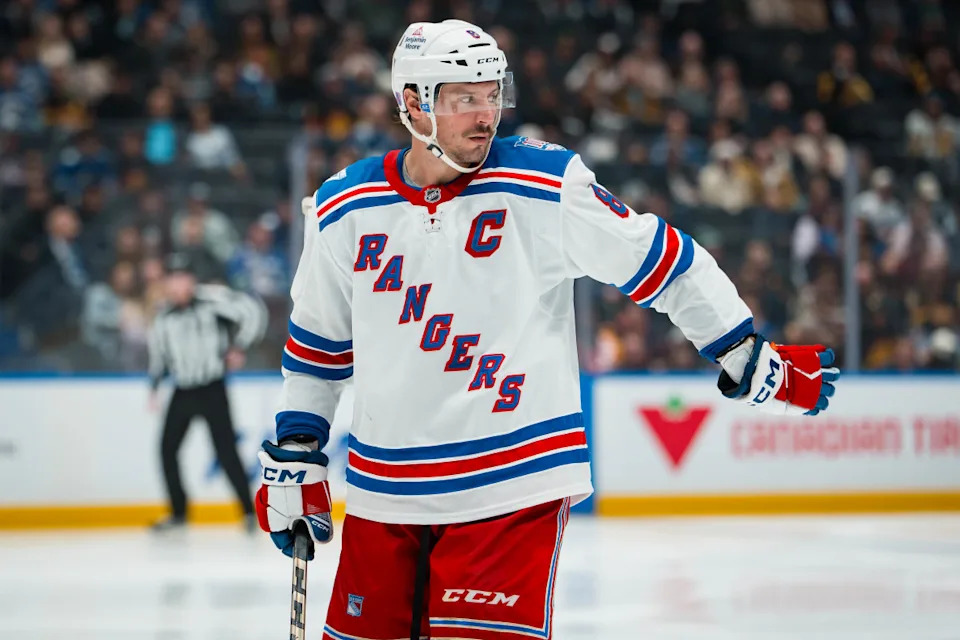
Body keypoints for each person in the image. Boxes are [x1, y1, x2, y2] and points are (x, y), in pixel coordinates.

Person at [254, 20, 841, 640]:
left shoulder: (543, 187)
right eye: (463, 99)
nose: (486, 115)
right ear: (412, 104)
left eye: (491, 94)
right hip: (384, 496)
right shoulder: (343, 206)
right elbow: (317, 342)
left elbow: (663, 258)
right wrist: (298, 446)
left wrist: (743, 351)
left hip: (510, 486)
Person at [148, 253, 267, 531]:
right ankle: (179, 512)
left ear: (191, 280)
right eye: (173, 279)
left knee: (225, 451)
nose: (178, 285)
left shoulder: (212, 301)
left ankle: (248, 512)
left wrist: (240, 346)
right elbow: (159, 356)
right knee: (167, 449)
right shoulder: (163, 317)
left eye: (183, 278)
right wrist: (153, 387)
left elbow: (252, 312)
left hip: (212, 387)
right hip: (183, 389)